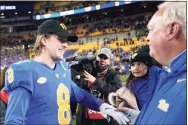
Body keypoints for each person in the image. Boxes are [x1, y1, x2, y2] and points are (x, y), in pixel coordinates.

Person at [3, 19, 130, 125]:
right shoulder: (26, 71)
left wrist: (101, 106)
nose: (66, 45)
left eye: (66, 41)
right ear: (44, 40)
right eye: (61, 39)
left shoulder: (62, 68)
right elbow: (14, 121)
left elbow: (77, 93)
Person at [116, 2, 186, 125]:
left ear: (172, 29)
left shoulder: (162, 77)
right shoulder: (169, 76)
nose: (147, 38)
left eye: (151, 30)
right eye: (133, 64)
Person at [76, 48, 122, 125]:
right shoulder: (89, 72)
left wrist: (95, 81)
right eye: (100, 57)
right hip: (88, 119)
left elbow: (116, 91)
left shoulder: (114, 75)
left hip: (105, 119)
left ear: (110, 61)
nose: (102, 60)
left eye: (105, 58)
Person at [109, 46, 157, 110]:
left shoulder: (150, 82)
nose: (135, 68)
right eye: (133, 65)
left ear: (148, 65)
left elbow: (144, 106)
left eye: (139, 64)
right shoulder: (131, 81)